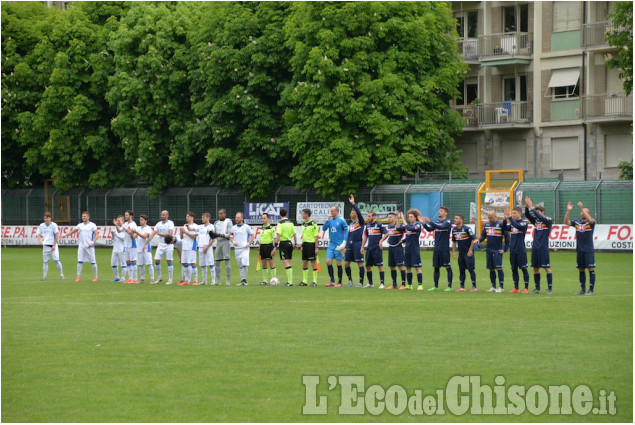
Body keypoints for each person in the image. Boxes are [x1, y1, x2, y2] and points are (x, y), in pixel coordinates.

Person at [564, 201, 596, 295]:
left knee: (590, 268)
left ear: (588, 214)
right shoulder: (577, 222)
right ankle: (583, 289)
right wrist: (568, 211)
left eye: (584, 212)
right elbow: (566, 222)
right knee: (581, 269)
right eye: (581, 212)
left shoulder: (591, 223)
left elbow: (590, 220)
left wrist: (582, 208)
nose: (582, 213)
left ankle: (591, 290)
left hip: (588, 250)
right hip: (579, 250)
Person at [525, 197, 553, 294]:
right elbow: (527, 215)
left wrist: (532, 207)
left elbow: (541, 218)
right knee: (535, 268)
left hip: (543, 247)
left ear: (543, 211)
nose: (536, 214)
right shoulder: (536, 221)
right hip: (535, 247)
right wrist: (527, 206)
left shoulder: (548, 220)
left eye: (538, 212)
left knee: (546, 267)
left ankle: (549, 288)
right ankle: (537, 288)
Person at [61, 211, 99, 282]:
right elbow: (73, 231)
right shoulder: (80, 225)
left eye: (85, 216)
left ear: (88, 217)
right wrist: (65, 235)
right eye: (82, 216)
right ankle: (78, 277)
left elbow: (97, 235)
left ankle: (96, 277)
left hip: (89, 246)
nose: (83, 217)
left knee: (93, 262)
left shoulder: (92, 225)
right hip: (81, 246)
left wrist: (92, 242)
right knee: (79, 261)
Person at [422, 206, 453, 291]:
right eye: (439, 211)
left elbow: (441, 227)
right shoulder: (437, 222)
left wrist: (429, 221)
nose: (439, 212)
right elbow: (429, 229)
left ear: (445, 213)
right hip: (437, 249)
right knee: (436, 267)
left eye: (441, 211)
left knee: (447, 266)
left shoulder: (448, 221)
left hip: (444, 248)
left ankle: (449, 286)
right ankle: (435, 286)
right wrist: (424, 223)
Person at [477, 210, 509, 293]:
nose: (489, 219)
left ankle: (501, 287)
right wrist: (479, 240)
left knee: (498, 268)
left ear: (495, 216)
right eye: (488, 217)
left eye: (491, 217)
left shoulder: (501, 225)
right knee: (491, 269)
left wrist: (505, 249)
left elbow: (507, 238)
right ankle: (493, 287)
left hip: (497, 250)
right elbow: (483, 235)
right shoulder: (486, 224)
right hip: (489, 250)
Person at [503, 207, 530, 293]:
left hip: (520, 250)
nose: (513, 215)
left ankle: (526, 288)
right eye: (512, 213)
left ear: (519, 213)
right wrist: (504, 219)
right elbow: (504, 228)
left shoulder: (523, 223)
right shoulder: (512, 224)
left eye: (514, 213)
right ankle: (516, 288)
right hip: (513, 250)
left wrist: (510, 218)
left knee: (523, 269)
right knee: (514, 269)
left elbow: (517, 226)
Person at [144, 210, 175, 285]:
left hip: (169, 244)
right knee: (156, 260)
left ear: (167, 215)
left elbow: (169, 234)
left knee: (169, 261)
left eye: (163, 215)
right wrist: (146, 243)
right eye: (161, 215)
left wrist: (160, 234)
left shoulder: (170, 223)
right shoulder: (158, 224)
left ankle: (170, 280)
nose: (162, 216)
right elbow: (153, 234)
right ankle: (159, 277)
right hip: (161, 244)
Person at [322, 204, 349, 287]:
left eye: (332, 211)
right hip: (331, 244)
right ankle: (332, 280)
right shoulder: (329, 220)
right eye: (330, 211)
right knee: (328, 262)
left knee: (338, 263)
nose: (331, 212)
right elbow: (323, 229)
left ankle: (339, 282)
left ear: (336, 211)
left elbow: (347, 230)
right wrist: (327, 220)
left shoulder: (341, 220)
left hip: (339, 244)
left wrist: (344, 242)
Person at [379, 212, 407, 290]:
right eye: (388, 217)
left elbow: (408, 232)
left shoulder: (400, 226)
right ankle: (394, 284)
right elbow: (388, 234)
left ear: (394, 218)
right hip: (391, 248)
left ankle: (403, 284)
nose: (389, 218)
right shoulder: (388, 226)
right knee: (392, 266)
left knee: (400, 266)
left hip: (398, 248)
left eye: (390, 217)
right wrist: (382, 240)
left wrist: (403, 240)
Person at [36, 212, 65, 281]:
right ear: (44, 218)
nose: (47, 219)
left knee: (57, 261)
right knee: (45, 262)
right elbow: (39, 234)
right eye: (46, 218)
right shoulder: (41, 225)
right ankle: (44, 276)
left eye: (48, 218)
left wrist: (54, 245)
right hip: (45, 246)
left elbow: (57, 235)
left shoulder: (54, 225)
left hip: (53, 246)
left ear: (50, 218)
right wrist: (40, 240)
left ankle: (62, 276)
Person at [451, 214, 477, 292]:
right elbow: (454, 242)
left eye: (456, 218)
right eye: (454, 218)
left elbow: (474, 240)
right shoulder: (454, 230)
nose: (454, 219)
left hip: (468, 253)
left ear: (461, 220)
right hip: (461, 253)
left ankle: (474, 286)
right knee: (461, 270)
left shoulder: (467, 229)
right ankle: (462, 286)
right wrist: (453, 252)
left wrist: (470, 250)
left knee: (470, 269)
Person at [361, 211, 387, 288]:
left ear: (373, 217)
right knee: (368, 266)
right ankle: (370, 283)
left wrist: (381, 241)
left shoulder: (379, 225)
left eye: (369, 216)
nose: (367, 218)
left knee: (380, 265)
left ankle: (382, 283)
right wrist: (362, 246)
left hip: (377, 248)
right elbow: (366, 237)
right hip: (369, 248)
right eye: (367, 216)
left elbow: (387, 233)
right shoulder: (368, 226)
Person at [400, 209, 424, 290]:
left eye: (411, 217)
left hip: (414, 250)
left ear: (415, 217)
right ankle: (409, 285)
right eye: (408, 217)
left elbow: (409, 228)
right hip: (407, 249)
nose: (409, 218)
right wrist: (403, 240)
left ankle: (420, 285)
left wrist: (402, 218)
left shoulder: (418, 225)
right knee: (408, 267)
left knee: (417, 267)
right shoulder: (410, 226)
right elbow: (408, 235)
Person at [344, 194, 365, 287]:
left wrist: (353, 204)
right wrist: (346, 247)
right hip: (350, 245)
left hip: (358, 244)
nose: (351, 214)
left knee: (360, 263)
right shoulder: (351, 224)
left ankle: (361, 282)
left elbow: (359, 213)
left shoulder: (360, 222)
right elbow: (349, 236)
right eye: (350, 213)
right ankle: (350, 280)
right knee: (346, 263)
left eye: (352, 212)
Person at [272, 207, 297, 286]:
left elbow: (278, 234)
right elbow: (294, 234)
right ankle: (290, 281)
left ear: (280, 214)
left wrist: (275, 245)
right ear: (286, 214)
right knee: (288, 262)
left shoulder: (280, 223)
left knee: (285, 262)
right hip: (290, 243)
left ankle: (290, 282)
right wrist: (296, 244)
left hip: (283, 244)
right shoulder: (291, 223)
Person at [230, 212, 255, 286]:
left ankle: (244, 280)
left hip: (244, 248)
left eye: (238, 217)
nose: (236, 219)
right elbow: (231, 237)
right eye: (236, 217)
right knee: (240, 265)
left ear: (242, 218)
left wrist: (249, 243)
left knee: (244, 263)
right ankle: (242, 280)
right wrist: (233, 241)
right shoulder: (233, 228)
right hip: (237, 249)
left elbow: (252, 235)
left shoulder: (246, 227)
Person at [299, 208, 319, 287]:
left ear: (307, 214)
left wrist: (316, 247)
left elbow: (316, 236)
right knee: (304, 262)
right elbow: (304, 236)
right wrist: (302, 245)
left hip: (311, 245)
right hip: (305, 245)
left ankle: (314, 281)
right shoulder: (303, 224)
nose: (302, 215)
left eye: (303, 213)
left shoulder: (313, 224)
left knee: (313, 262)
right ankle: (304, 281)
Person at [178, 212, 199, 286]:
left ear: (192, 217)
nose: (187, 218)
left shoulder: (196, 226)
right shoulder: (184, 226)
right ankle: (186, 280)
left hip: (191, 247)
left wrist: (185, 232)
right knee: (184, 263)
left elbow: (194, 236)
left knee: (192, 263)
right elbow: (181, 238)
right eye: (186, 216)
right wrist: (182, 233)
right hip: (185, 246)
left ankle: (194, 280)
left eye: (188, 216)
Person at [214, 209, 233, 285]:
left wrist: (222, 235)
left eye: (221, 213)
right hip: (218, 242)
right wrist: (212, 234)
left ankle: (228, 280)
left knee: (226, 260)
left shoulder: (228, 222)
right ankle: (218, 280)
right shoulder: (216, 223)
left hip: (225, 242)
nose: (220, 215)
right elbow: (215, 233)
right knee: (217, 262)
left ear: (225, 214)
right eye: (219, 214)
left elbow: (230, 234)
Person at [197, 213, 216, 286]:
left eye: (203, 217)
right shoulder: (201, 227)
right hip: (201, 246)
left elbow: (213, 238)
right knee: (202, 264)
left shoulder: (211, 227)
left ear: (208, 218)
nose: (202, 218)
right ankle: (204, 280)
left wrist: (207, 246)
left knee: (210, 263)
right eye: (202, 217)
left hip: (208, 247)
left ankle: (213, 280)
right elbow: (193, 229)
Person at [258, 213, 277, 285]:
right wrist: (259, 248)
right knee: (264, 263)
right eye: (262, 218)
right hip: (262, 247)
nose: (263, 220)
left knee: (271, 263)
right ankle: (265, 280)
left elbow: (275, 239)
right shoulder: (261, 228)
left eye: (264, 218)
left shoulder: (271, 228)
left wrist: (274, 248)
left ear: (268, 219)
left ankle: (273, 279)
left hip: (269, 246)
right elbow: (261, 238)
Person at [122, 210, 138, 284]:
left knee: (133, 261)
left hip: (132, 245)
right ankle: (130, 278)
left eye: (127, 215)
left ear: (130, 216)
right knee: (127, 261)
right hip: (126, 245)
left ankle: (135, 279)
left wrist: (122, 225)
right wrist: (116, 225)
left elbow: (130, 232)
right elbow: (119, 231)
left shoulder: (133, 224)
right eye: (125, 215)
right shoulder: (125, 224)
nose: (125, 216)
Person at [110, 215, 126, 282]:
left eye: (119, 220)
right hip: (115, 249)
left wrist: (115, 234)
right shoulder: (115, 229)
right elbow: (113, 239)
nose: (117, 222)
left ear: (122, 221)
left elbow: (123, 238)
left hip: (121, 249)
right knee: (113, 263)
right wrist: (113, 235)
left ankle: (123, 278)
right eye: (117, 220)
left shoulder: (124, 228)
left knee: (123, 264)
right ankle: (117, 277)